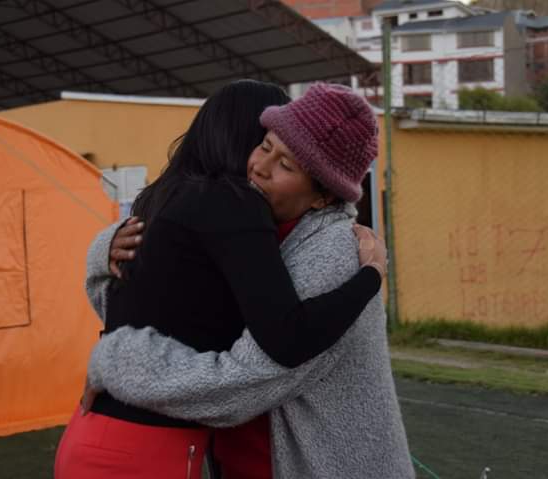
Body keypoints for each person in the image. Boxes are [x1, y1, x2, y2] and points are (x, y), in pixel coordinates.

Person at [54, 80, 386, 479]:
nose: (260, 165)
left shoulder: (163, 200)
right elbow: (286, 340)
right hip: (147, 449)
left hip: (95, 434)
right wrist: (371, 278)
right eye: (264, 144)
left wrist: (112, 352)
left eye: (286, 163)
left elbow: (132, 305)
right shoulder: (234, 207)